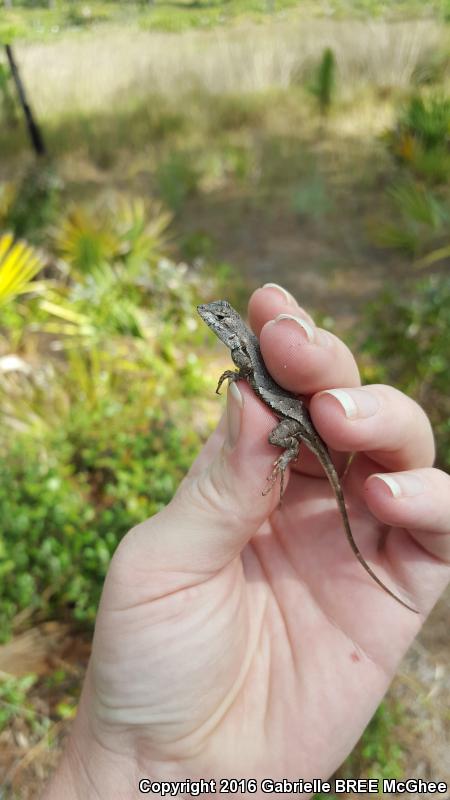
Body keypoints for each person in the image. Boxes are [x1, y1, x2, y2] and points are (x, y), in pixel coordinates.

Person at [44, 284, 450, 799]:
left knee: (289, 435)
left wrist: (283, 450)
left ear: (229, 325)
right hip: (294, 419)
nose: (210, 320)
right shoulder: (246, 352)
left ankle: (283, 460)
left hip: (297, 425)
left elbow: (251, 374)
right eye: (214, 316)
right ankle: (286, 460)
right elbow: (249, 376)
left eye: (217, 316)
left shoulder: (245, 349)